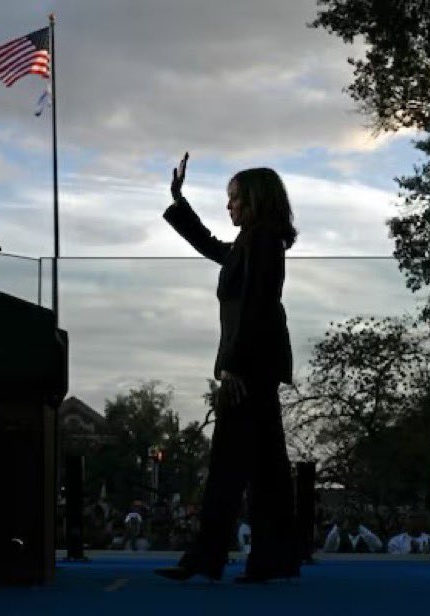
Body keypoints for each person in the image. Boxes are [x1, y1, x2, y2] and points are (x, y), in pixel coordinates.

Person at [155, 153, 299, 584]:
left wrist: (232, 367)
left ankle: (212, 555)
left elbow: (256, 305)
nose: (229, 206)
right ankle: (268, 556)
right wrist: (179, 203)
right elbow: (212, 247)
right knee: (265, 467)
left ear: (254, 199)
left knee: (229, 466)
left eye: (234, 198)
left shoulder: (261, 241)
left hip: (249, 367)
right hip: (257, 364)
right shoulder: (255, 241)